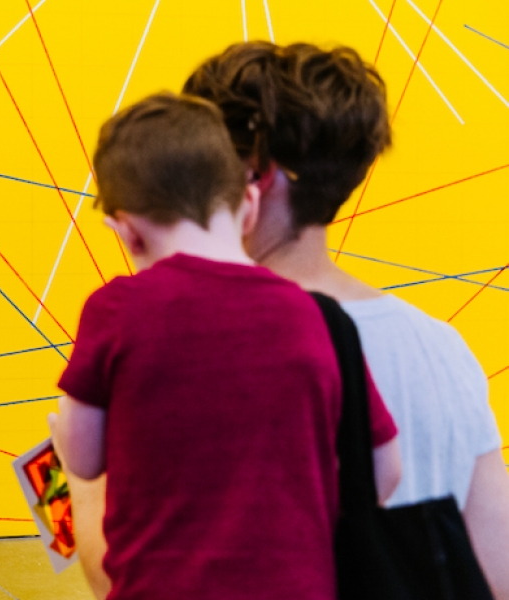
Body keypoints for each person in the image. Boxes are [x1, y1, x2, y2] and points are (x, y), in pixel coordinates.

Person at [183, 41, 509, 598]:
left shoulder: (199, 347)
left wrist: (82, 481)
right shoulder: (442, 348)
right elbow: (497, 569)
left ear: (255, 174)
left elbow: (132, 569)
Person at [48, 91, 401, 600]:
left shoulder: (115, 310)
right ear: (248, 205)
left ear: (125, 231)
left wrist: (63, 438)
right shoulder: (315, 316)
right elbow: (384, 471)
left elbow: (82, 459)